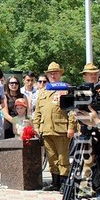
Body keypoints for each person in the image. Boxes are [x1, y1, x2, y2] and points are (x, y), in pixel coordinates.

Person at [33, 62, 75, 192]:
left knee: (63, 158)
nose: (53, 75)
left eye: (55, 72)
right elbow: (38, 110)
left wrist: (71, 127)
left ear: (60, 74)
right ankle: (55, 183)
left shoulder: (66, 88)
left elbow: (71, 110)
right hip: (46, 129)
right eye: (50, 73)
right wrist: (36, 125)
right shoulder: (42, 91)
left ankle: (64, 183)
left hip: (61, 129)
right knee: (52, 158)